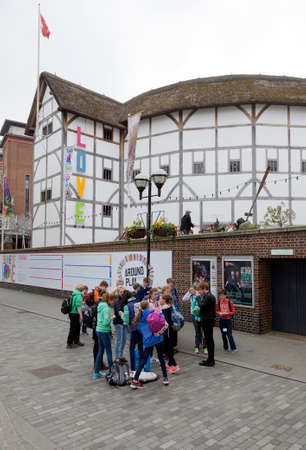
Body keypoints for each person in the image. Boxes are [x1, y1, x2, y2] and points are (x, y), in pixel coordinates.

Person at [130, 300, 169, 389]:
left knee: (143, 360)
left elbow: (140, 329)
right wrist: (160, 311)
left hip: (147, 340)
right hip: (158, 338)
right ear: (148, 307)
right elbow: (162, 320)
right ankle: (165, 378)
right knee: (161, 358)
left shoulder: (139, 316)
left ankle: (135, 380)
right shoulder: (153, 312)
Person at [93, 292, 116, 379]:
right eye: (113, 301)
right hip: (104, 331)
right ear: (109, 300)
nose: (113, 303)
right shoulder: (106, 308)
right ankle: (111, 372)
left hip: (98, 330)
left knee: (100, 351)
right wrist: (112, 317)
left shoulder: (100, 305)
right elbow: (106, 322)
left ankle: (96, 372)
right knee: (109, 351)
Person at [122, 291, 143, 371]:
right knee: (141, 347)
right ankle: (142, 367)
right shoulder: (139, 304)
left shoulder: (127, 306)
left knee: (132, 349)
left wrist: (122, 315)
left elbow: (126, 320)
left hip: (134, 329)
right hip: (141, 329)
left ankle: (133, 368)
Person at [183, 286, 206, 355]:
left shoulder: (198, 294)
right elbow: (184, 299)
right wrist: (189, 293)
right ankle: (199, 343)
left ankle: (202, 344)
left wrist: (196, 293)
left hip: (201, 315)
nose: (191, 291)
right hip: (194, 315)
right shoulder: (190, 295)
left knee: (202, 330)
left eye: (192, 290)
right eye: (190, 290)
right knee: (197, 330)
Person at [160, 295, 180, 374]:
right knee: (169, 348)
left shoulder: (165, 309)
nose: (159, 300)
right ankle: (169, 364)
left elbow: (165, 322)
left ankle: (174, 366)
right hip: (172, 330)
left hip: (168, 331)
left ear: (164, 300)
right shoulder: (170, 307)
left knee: (168, 349)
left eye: (161, 298)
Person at [198, 281, 216, 367]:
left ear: (204, 289)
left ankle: (211, 360)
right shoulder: (207, 296)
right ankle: (210, 359)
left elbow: (202, 305)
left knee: (209, 340)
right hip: (207, 320)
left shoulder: (209, 296)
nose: (199, 292)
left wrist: (198, 298)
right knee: (208, 340)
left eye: (199, 290)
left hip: (208, 321)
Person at [91, 287, 108, 371]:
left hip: (96, 327)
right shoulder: (100, 304)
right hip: (99, 328)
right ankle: (98, 364)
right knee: (99, 347)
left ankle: (98, 363)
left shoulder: (97, 303)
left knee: (97, 346)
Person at [67, 284, 86, 349]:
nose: (84, 291)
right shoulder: (79, 296)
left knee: (76, 327)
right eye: (84, 289)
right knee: (73, 328)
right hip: (75, 314)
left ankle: (76, 340)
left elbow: (75, 303)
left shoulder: (74, 294)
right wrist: (81, 316)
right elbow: (78, 307)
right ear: (81, 290)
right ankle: (69, 343)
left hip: (71, 313)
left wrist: (81, 303)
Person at [113, 288, 128, 361]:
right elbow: (119, 311)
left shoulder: (125, 300)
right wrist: (125, 317)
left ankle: (120, 355)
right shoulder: (117, 301)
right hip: (118, 322)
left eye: (123, 292)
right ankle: (116, 357)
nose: (122, 293)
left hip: (124, 323)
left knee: (124, 340)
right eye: (121, 292)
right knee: (119, 340)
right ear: (118, 292)